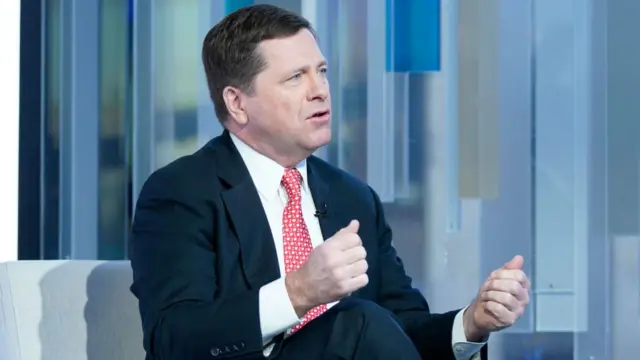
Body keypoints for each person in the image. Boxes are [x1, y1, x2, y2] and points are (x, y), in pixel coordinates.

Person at [129, 4, 530, 360]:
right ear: (237, 102)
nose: (320, 91)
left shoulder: (352, 198)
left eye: (321, 71)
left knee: (362, 322)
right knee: (354, 321)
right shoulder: (181, 193)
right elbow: (173, 339)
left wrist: (472, 322)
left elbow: (398, 333)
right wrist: (298, 292)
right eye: (295, 78)